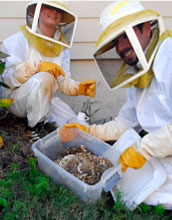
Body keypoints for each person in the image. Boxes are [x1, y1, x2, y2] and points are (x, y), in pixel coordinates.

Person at [60, 0, 172, 208]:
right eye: (115, 42)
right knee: (123, 173)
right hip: (164, 150)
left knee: (147, 193)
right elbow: (124, 124)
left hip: (163, 148)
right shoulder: (141, 70)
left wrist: (145, 149)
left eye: (125, 36)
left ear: (146, 27)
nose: (120, 47)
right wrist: (88, 130)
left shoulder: (169, 55)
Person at [1, 0, 96, 128]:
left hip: (44, 99)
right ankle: (38, 128)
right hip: (14, 99)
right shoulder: (17, 40)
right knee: (45, 77)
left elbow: (62, 80)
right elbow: (7, 78)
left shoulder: (62, 47)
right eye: (49, 6)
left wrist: (78, 88)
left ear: (62, 16)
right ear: (38, 10)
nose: (54, 12)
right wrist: (36, 67)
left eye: (59, 10)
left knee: (77, 125)